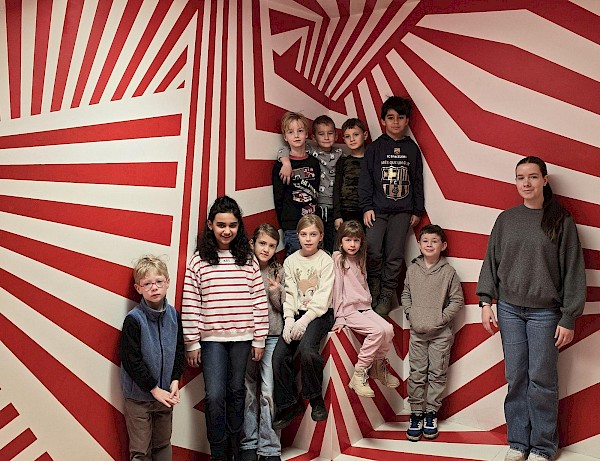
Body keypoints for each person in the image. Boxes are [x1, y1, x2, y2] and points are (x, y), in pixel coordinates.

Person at [477, 156, 586, 461]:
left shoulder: (561, 221)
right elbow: (491, 261)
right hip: (509, 310)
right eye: (520, 177)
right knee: (516, 378)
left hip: (545, 314)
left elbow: (573, 270)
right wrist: (485, 301)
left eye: (533, 177)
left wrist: (569, 316)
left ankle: (542, 447)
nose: (526, 183)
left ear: (544, 180)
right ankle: (518, 443)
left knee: (541, 380)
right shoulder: (506, 219)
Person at [181, 196, 269, 461]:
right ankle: (218, 453)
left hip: (243, 338)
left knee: (237, 392)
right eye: (221, 225)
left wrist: (259, 339)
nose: (227, 230)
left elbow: (259, 300)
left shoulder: (248, 260)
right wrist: (191, 342)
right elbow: (190, 302)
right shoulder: (198, 261)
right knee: (215, 396)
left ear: (239, 226)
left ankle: (235, 450)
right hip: (211, 341)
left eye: (232, 225)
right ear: (210, 225)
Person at [358, 96, 425, 316]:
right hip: (377, 210)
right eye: (391, 117)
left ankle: (387, 293)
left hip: (403, 211)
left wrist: (417, 209)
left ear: (407, 120)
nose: (395, 122)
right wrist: (366, 206)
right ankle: (374, 287)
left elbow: (417, 180)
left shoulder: (412, 149)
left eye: (400, 117)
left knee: (395, 254)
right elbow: (365, 180)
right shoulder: (375, 148)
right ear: (383, 121)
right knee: (373, 249)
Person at [271, 214, 335, 429]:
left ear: (321, 236)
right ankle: (289, 404)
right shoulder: (290, 261)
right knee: (279, 356)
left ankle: (315, 397)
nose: (308, 239)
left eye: (313, 234)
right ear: (297, 235)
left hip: (319, 314)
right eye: (304, 234)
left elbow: (323, 296)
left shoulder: (326, 261)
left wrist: (305, 320)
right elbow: (289, 293)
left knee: (308, 350)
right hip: (296, 313)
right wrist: (289, 319)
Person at [401, 225, 464, 441]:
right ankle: (416, 414)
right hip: (417, 332)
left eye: (434, 241)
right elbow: (406, 294)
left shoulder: (448, 272)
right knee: (417, 373)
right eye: (425, 241)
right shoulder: (412, 269)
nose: (429, 245)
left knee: (437, 373)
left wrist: (441, 319)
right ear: (419, 245)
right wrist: (411, 314)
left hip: (440, 335)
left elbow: (457, 301)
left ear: (443, 245)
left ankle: (430, 413)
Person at [120, 255, 184, 461]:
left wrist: (175, 379)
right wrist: (153, 389)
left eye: (158, 281)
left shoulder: (174, 316)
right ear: (138, 288)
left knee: (163, 444)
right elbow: (131, 361)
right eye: (147, 284)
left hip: (165, 396)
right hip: (139, 399)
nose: (154, 287)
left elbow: (179, 350)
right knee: (140, 450)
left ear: (167, 282)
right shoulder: (134, 320)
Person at [331, 220, 399, 398]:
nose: (352, 244)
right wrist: (339, 317)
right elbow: (337, 289)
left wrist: (368, 305)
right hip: (348, 309)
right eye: (348, 240)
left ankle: (377, 366)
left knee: (388, 329)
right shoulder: (338, 258)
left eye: (356, 240)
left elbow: (363, 284)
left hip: (364, 307)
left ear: (361, 242)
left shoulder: (361, 258)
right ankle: (359, 373)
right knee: (376, 331)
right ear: (340, 242)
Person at [241, 224, 285, 461]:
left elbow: (283, 308)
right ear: (252, 243)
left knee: (268, 391)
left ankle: (269, 447)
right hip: (247, 338)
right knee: (248, 390)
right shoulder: (243, 269)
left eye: (271, 245)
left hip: (272, 336)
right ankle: (249, 443)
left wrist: (276, 291)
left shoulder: (278, 270)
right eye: (262, 243)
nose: (266, 249)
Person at [278, 115, 344, 253]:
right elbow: (285, 149)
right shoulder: (311, 151)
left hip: (334, 207)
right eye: (321, 134)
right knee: (316, 245)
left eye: (330, 133)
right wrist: (286, 162)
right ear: (313, 137)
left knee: (332, 245)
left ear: (336, 136)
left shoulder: (339, 154)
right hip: (317, 207)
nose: (326, 137)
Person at [272, 111, 320, 256]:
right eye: (291, 132)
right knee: (296, 262)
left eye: (300, 131)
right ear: (285, 137)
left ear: (306, 134)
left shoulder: (314, 162)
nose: (296, 135)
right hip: (293, 225)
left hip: (313, 222)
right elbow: (278, 197)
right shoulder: (281, 166)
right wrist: (285, 223)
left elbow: (316, 191)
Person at [333, 118, 369, 231]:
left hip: (366, 212)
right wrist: (337, 215)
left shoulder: (371, 160)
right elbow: (337, 188)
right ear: (344, 139)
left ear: (365, 135)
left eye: (356, 135)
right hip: (346, 212)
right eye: (347, 136)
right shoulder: (343, 161)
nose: (352, 139)